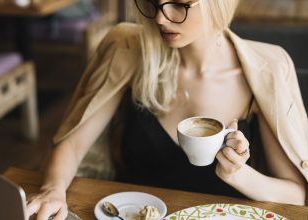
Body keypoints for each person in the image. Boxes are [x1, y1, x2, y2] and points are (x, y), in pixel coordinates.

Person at [27, 0, 308, 219]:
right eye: (153, 3)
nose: (160, 18)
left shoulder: (266, 70)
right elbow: (73, 144)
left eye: (180, 4)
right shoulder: (127, 49)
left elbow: (295, 195)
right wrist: (52, 190)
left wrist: (238, 174)